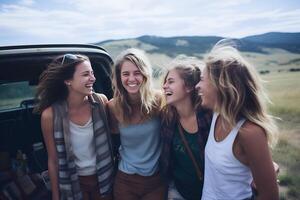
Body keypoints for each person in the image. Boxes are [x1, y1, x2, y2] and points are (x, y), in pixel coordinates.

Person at [196, 42, 279, 200]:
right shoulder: (216, 115)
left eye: (202, 80)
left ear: (221, 85)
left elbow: (269, 196)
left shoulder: (250, 132)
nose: (197, 86)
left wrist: (270, 168)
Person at [35, 54, 114, 200]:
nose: (92, 78)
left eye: (92, 73)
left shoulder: (101, 102)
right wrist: (56, 195)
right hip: (73, 183)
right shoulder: (50, 115)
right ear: (68, 80)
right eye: (85, 74)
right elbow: (53, 160)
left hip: (104, 178)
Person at [107, 48, 165, 200]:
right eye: (126, 74)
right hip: (125, 179)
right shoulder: (113, 107)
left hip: (156, 180)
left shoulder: (159, 100)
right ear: (119, 78)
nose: (131, 79)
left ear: (145, 74)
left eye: (137, 72)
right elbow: (114, 142)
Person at [159, 58, 212, 200]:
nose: (164, 86)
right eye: (165, 82)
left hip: (210, 193)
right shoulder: (167, 119)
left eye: (170, 81)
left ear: (188, 87)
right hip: (179, 193)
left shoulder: (209, 118)